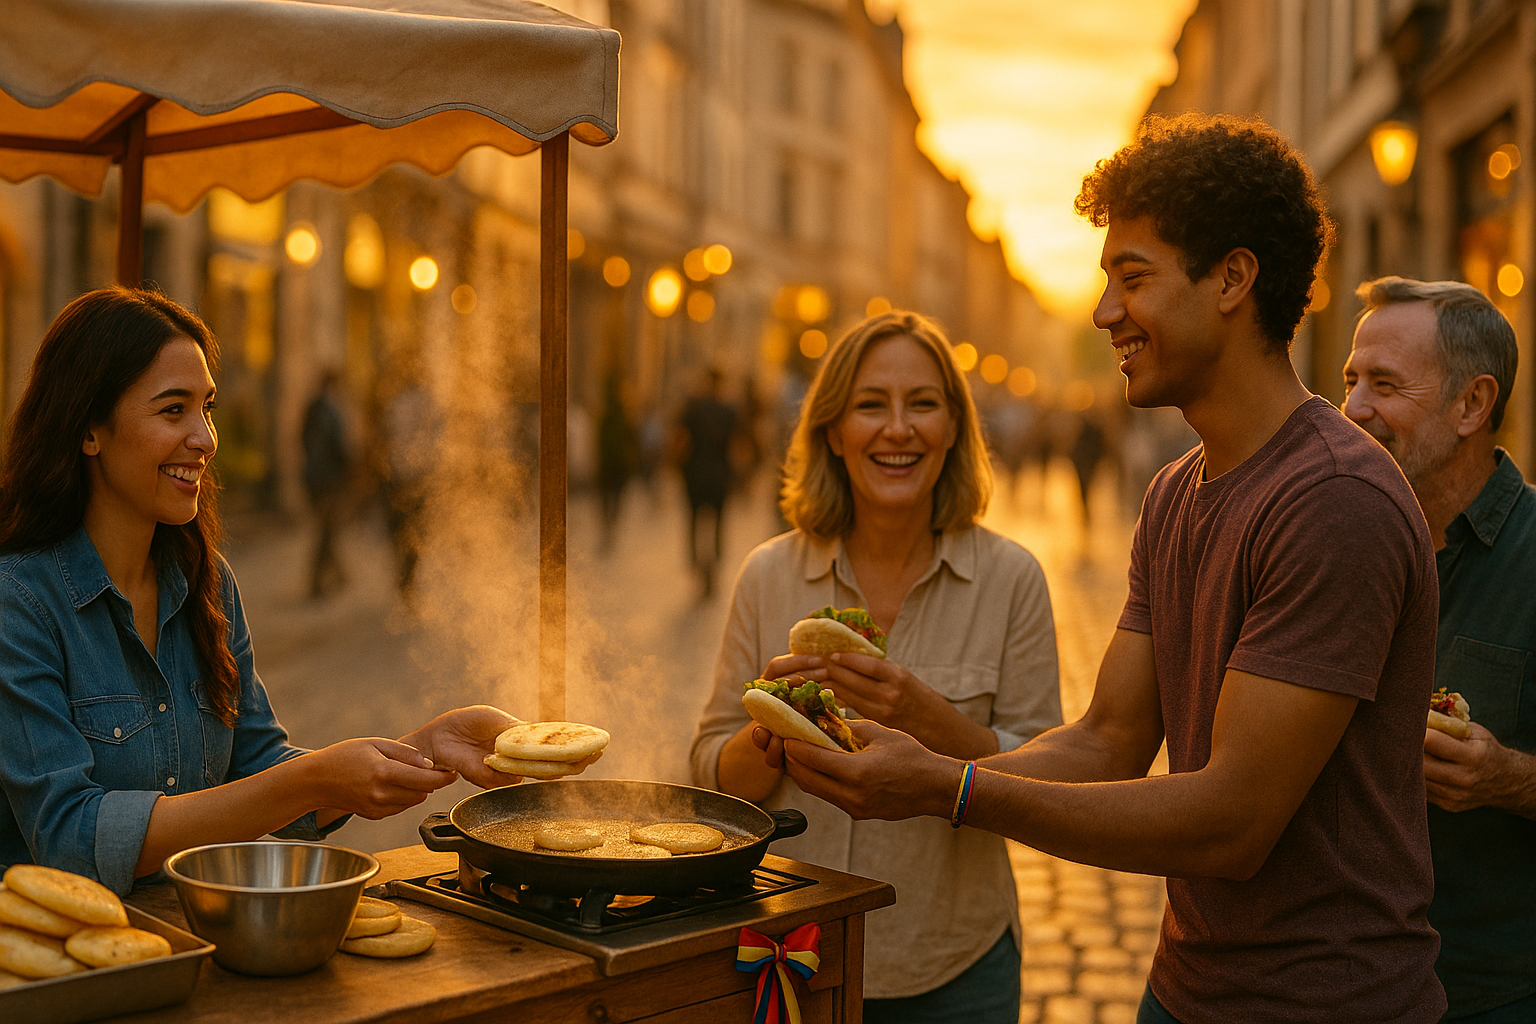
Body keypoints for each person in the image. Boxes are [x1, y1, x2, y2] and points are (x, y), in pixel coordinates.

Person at [760, 115, 1447, 1024]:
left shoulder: (1332, 499)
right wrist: (923, 756)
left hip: (1327, 1003)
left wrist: (949, 789)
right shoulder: (1173, 492)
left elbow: (1233, 823)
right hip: (1187, 989)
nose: (1104, 312)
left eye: (1133, 277)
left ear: (1233, 279)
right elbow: (1107, 742)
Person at [0, 287, 524, 895]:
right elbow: (68, 836)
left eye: (206, 408)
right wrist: (309, 781)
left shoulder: (206, 582)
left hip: (199, 932)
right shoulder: (20, 602)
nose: (205, 439)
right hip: (51, 946)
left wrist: (422, 748)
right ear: (90, 429)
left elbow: (258, 767)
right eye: (173, 410)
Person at [691, 310, 1062, 1024]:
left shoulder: (1012, 579)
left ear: (953, 428)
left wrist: (932, 722)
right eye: (870, 405)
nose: (898, 429)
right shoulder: (768, 575)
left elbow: (1047, 780)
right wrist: (768, 737)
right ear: (833, 430)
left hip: (954, 971)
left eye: (922, 404)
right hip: (790, 954)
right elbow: (711, 773)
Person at [1342, 277, 1536, 1023]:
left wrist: (1509, 778)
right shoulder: (1334, 540)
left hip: (1487, 993)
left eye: (1385, 385)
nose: (1353, 409)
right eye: (1351, 381)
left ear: (1471, 405)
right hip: (1336, 981)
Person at [677, 367, 737, 598]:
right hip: (720, 474)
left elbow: (681, 441)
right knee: (719, 523)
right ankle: (715, 565)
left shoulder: (693, 408)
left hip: (695, 472)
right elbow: (737, 446)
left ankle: (696, 565)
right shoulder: (729, 412)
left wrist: (676, 466)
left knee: (693, 520)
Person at [301, 369, 351, 597]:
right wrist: (349, 469)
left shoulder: (311, 408)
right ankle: (317, 581)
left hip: (312, 477)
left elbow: (301, 439)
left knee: (327, 527)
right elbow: (339, 446)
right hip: (329, 479)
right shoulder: (332, 410)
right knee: (327, 529)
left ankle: (338, 574)